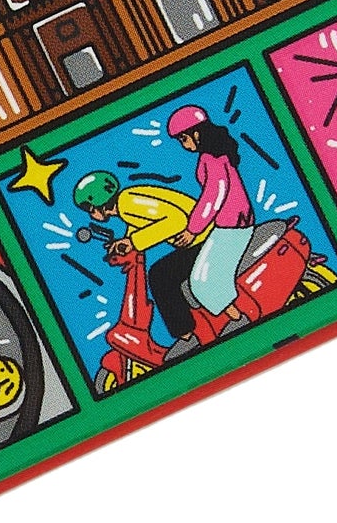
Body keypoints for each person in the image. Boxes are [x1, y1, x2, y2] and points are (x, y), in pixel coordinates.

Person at [71, 167, 207, 351]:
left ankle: (187, 336)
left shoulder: (128, 203)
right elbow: (139, 226)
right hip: (199, 239)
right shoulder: (126, 203)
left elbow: (177, 220)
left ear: (96, 205)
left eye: (89, 209)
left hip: (204, 239)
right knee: (162, 272)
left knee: (160, 276)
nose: (91, 215)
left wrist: (134, 241)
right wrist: (125, 243)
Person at [161, 103, 255, 361]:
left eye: (183, 139)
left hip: (232, 227)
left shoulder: (211, 159)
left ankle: (239, 319)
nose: (183, 145)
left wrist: (193, 230)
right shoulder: (215, 156)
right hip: (231, 224)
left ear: (196, 133)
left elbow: (214, 195)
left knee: (203, 281)